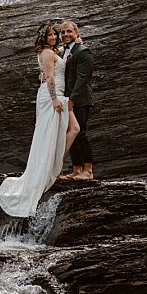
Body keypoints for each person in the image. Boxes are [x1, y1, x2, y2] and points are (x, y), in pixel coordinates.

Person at [0, 22, 80, 217]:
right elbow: (50, 77)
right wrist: (54, 99)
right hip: (52, 97)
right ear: (43, 37)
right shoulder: (48, 54)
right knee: (49, 135)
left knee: (52, 134)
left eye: (54, 35)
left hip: (54, 95)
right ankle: (47, 170)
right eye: (49, 35)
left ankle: (52, 167)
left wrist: (72, 44)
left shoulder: (48, 52)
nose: (53, 37)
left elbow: (56, 55)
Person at [59, 19, 95, 180]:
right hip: (66, 98)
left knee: (80, 133)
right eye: (63, 32)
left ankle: (88, 170)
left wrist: (72, 99)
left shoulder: (83, 51)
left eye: (69, 31)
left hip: (80, 99)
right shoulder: (62, 52)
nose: (66, 34)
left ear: (77, 34)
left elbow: (82, 78)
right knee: (71, 134)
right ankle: (76, 169)